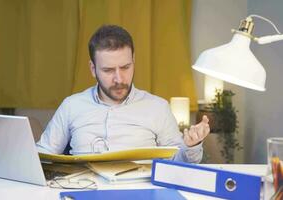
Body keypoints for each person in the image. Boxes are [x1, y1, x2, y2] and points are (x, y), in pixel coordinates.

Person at [37, 25, 210, 163]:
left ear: (133, 61)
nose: (119, 79)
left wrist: (191, 146)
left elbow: (179, 163)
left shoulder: (158, 107)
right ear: (93, 69)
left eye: (126, 67)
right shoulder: (71, 106)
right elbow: (42, 155)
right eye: (108, 70)